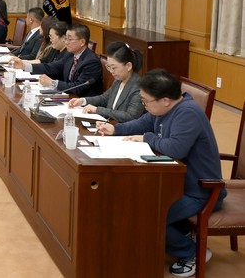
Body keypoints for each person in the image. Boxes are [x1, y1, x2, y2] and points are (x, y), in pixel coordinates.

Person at [95, 69, 225, 277]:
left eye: (146, 101)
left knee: (146, 216)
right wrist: (115, 129)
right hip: (176, 183)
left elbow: (175, 149)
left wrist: (147, 138)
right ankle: (180, 236)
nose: (144, 105)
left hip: (201, 191)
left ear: (165, 100)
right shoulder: (164, 109)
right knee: (134, 205)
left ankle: (191, 253)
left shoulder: (188, 113)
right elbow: (142, 122)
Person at [12, 23, 102, 96]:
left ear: (82, 42)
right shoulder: (70, 54)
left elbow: (78, 88)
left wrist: (53, 83)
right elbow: (51, 67)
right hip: (68, 97)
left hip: (82, 104)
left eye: (70, 39)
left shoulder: (91, 61)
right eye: (66, 39)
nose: (66, 42)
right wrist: (24, 66)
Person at [67, 41, 145, 122]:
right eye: (109, 67)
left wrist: (97, 110)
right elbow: (104, 98)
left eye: (114, 68)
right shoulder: (118, 80)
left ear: (128, 66)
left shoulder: (139, 86)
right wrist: (83, 101)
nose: (111, 71)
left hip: (122, 128)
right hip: (108, 124)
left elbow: (130, 116)